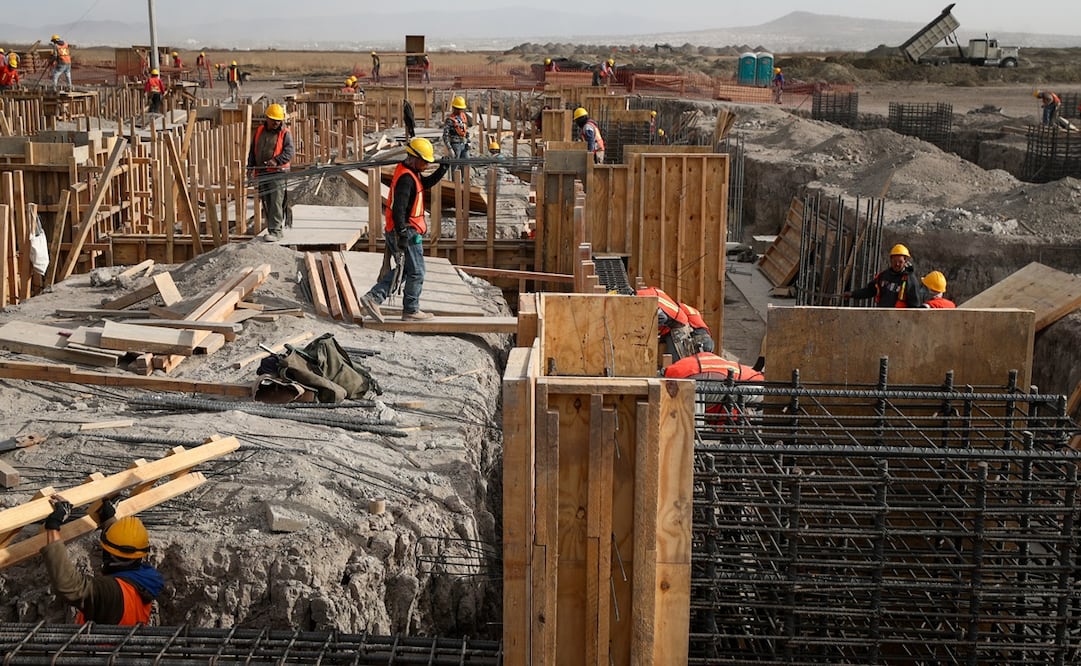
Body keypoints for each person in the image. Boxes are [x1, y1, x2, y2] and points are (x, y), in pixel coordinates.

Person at [359, 137, 449, 322]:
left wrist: (442, 170)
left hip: (405, 230)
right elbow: (399, 209)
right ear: (414, 158)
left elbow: (423, 185)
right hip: (406, 231)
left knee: (407, 270)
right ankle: (395, 305)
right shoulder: (406, 179)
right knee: (416, 271)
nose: (426, 165)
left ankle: (396, 305)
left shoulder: (410, 173)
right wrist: (401, 234)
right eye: (424, 161)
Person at [40, 495, 164, 625]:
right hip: (126, 643)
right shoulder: (145, 580)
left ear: (110, 555)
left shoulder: (110, 591)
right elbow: (124, 547)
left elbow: (68, 585)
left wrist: (53, 526)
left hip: (101, 645)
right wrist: (109, 519)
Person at [246, 103, 295, 242]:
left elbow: (289, 152)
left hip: (277, 173)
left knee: (276, 202)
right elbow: (253, 151)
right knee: (267, 202)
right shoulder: (260, 131)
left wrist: (276, 161)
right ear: (267, 118)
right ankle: (271, 229)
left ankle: (276, 231)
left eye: (278, 120)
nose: (276, 123)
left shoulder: (285, 133)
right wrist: (250, 167)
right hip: (262, 172)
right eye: (273, 120)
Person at [844, 243, 923, 308]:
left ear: (905, 261)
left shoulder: (910, 280)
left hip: (899, 320)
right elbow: (870, 290)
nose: (897, 264)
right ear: (890, 260)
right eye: (894, 261)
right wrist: (853, 294)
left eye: (900, 261)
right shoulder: (883, 276)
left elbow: (915, 306)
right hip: (883, 317)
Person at [638, 286, 693, 360]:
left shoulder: (648, 301)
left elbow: (662, 317)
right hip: (673, 323)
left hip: (678, 327)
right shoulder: (651, 293)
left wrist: (644, 329)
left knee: (675, 358)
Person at [442, 95, 470, 181]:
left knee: (466, 164)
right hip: (455, 145)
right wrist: (450, 149)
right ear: (454, 108)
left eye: (461, 109)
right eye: (458, 108)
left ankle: (465, 183)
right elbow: (445, 136)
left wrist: (469, 141)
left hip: (464, 144)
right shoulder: (450, 120)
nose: (460, 110)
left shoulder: (463, 117)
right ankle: (456, 185)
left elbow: (465, 131)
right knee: (455, 167)